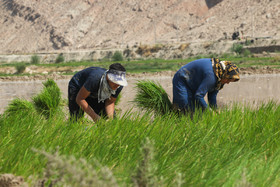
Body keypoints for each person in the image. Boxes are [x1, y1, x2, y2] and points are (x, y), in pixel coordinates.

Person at [172, 58, 240, 114]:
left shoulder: (220, 76)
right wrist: (210, 111)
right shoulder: (212, 77)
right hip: (182, 79)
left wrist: (215, 110)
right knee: (184, 107)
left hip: (194, 83)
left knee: (197, 109)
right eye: (228, 80)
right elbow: (198, 96)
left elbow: (212, 96)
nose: (228, 83)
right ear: (225, 75)